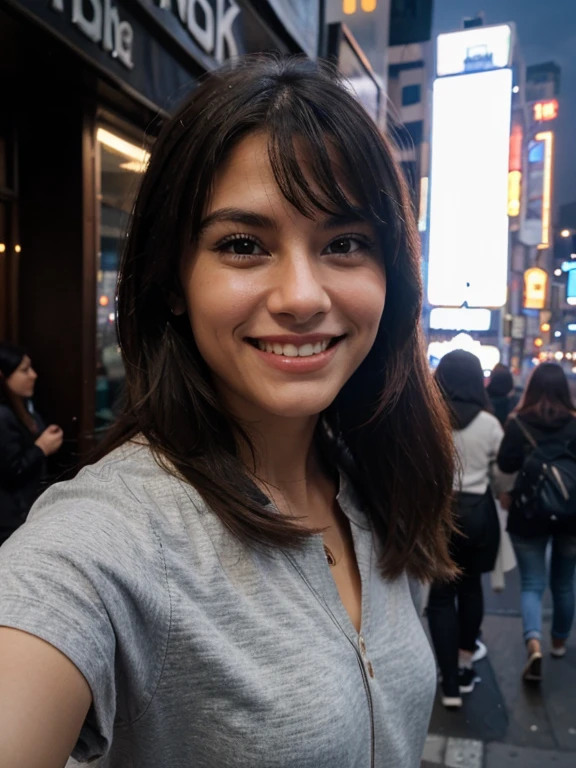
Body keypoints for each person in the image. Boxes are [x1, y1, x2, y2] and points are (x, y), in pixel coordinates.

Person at [0, 57, 457, 768]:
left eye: (344, 243)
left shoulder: (375, 480)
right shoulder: (109, 538)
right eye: (244, 245)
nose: (303, 296)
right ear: (174, 282)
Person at [427, 350, 503, 709]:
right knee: (471, 588)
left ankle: (449, 685)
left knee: (441, 597)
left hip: (439, 513)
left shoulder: (429, 417)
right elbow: (502, 474)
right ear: (478, 380)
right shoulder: (490, 424)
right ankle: (466, 665)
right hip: (478, 514)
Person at [497, 362, 576, 682]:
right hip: (572, 515)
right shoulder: (574, 423)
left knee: (531, 583)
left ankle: (534, 643)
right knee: (565, 581)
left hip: (528, 511)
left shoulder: (518, 422)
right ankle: (559, 641)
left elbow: (505, 463)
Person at [0, 342, 63, 545]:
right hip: (9, 520)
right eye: (24, 370)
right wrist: (42, 448)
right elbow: (10, 470)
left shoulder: (23, 407)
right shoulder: (2, 415)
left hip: (25, 510)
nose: (33, 375)